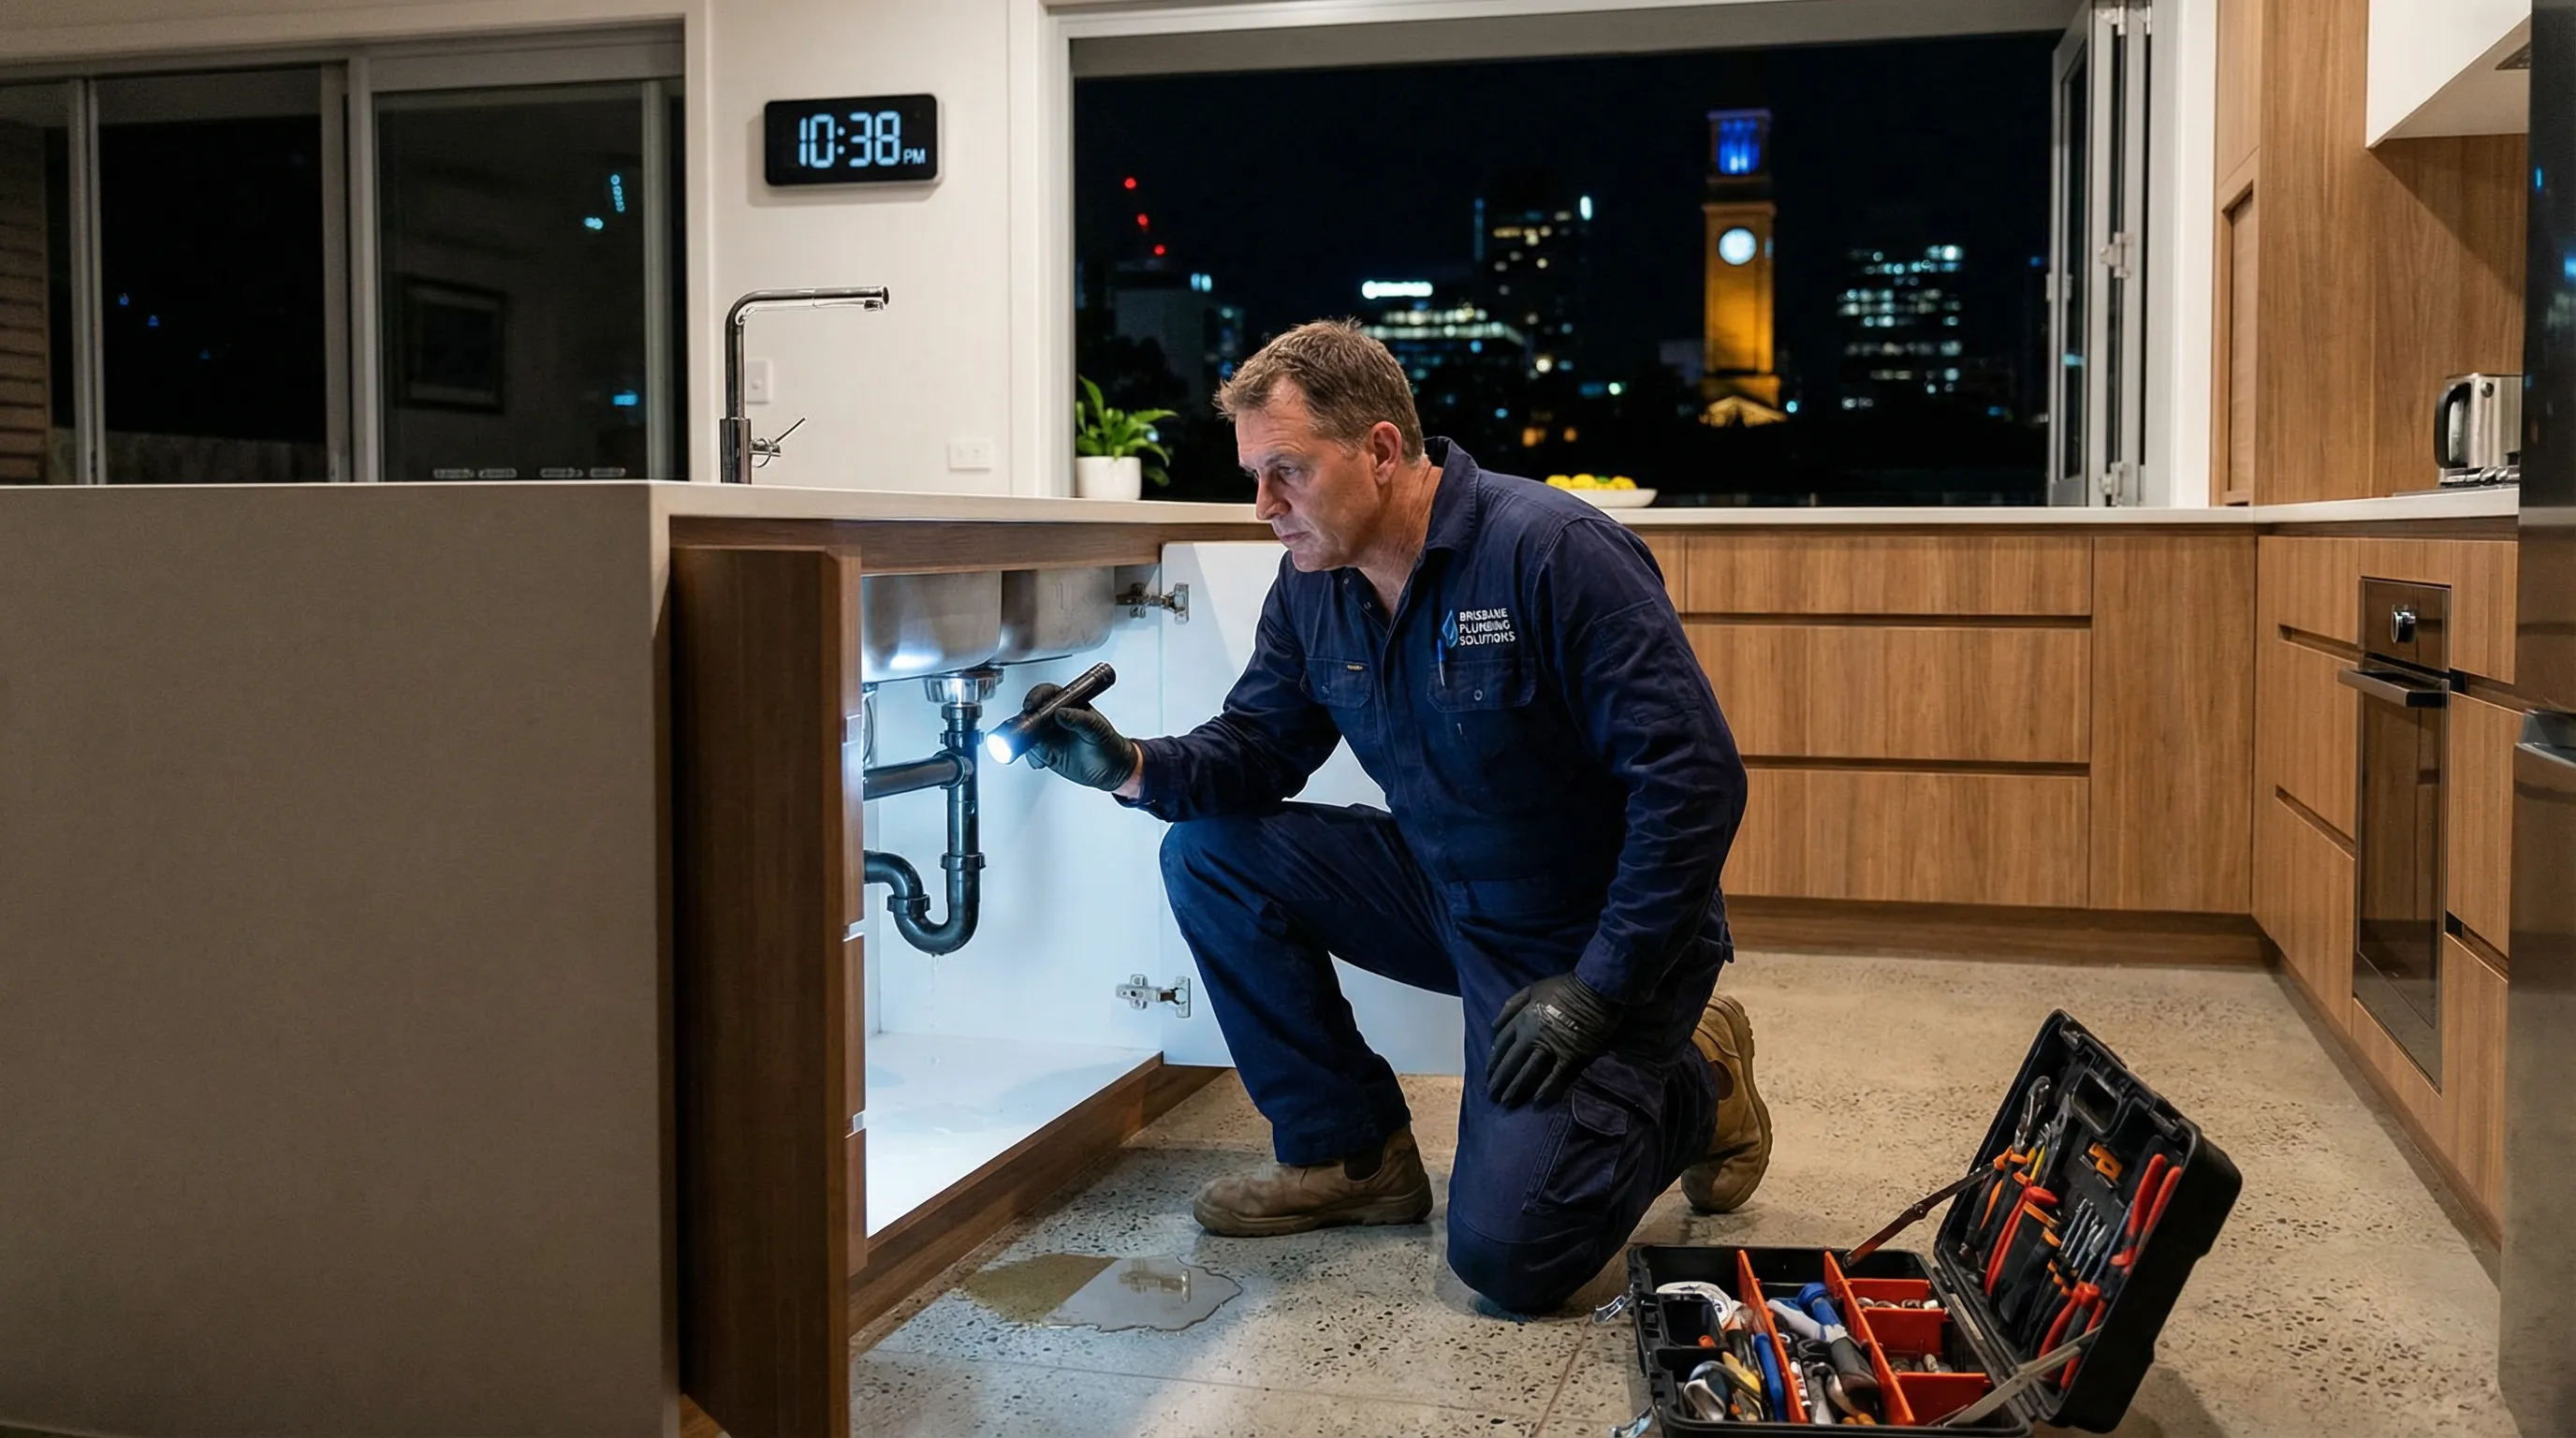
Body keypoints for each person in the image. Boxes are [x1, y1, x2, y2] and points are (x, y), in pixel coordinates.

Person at [1015, 320, 1764, 1314]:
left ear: (1378, 448)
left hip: (1593, 936)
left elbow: (1693, 780)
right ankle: (1349, 1156)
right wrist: (1131, 767)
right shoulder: (1315, 587)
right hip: (1446, 891)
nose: (1262, 507)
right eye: (1253, 475)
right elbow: (1258, 748)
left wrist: (1600, 988)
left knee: (1513, 1264)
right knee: (1211, 854)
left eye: (1286, 470)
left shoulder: (1552, 552)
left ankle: (1697, 1083)